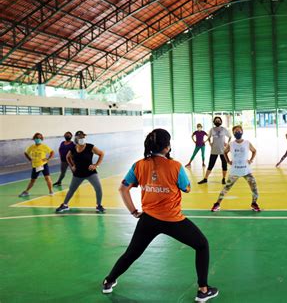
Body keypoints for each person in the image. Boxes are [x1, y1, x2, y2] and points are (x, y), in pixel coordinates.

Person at [102, 129, 218, 302]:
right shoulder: (175, 166)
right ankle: (203, 289)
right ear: (166, 147)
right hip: (173, 220)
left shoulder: (139, 165)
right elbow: (186, 189)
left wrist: (134, 212)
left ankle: (108, 281)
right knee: (202, 245)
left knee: (131, 253)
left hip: (147, 220)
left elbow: (123, 188)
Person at [211, 125, 261, 212]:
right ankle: (217, 204)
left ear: (242, 132)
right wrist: (228, 161)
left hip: (246, 171)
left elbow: (254, 151)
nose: (237, 132)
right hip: (235, 171)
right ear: (233, 133)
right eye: (235, 131)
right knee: (226, 188)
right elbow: (224, 152)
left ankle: (254, 203)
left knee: (254, 188)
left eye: (239, 131)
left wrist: (251, 160)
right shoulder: (231, 144)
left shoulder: (247, 143)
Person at [55, 131, 105, 213]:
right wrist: (72, 166)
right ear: (76, 139)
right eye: (80, 137)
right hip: (78, 173)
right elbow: (68, 157)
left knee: (98, 188)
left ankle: (99, 205)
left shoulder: (90, 146)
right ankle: (65, 205)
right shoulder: (73, 148)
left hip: (90, 172)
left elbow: (101, 154)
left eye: (83, 137)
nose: (82, 139)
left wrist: (96, 165)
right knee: (71, 189)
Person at [19, 132, 54, 197]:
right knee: (32, 180)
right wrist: (30, 159)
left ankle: (51, 191)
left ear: (41, 139)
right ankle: (26, 192)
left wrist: (48, 159)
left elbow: (52, 152)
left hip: (43, 164)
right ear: (34, 139)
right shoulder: (31, 147)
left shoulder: (44, 146)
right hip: (35, 165)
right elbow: (26, 153)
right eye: (36, 138)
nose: (38, 139)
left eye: (39, 138)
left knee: (47, 178)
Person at [198, 116, 231, 185]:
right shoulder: (212, 129)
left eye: (219, 120)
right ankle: (205, 179)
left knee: (224, 165)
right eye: (216, 120)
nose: (217, 121)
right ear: (214, 122)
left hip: (223, 151)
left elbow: (230, 136)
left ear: (221, 122)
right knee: (210, 165)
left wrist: (227, 143)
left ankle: (223, 179)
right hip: (214, 150)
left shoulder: (224, 129)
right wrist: (210, 142)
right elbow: (209, 137)